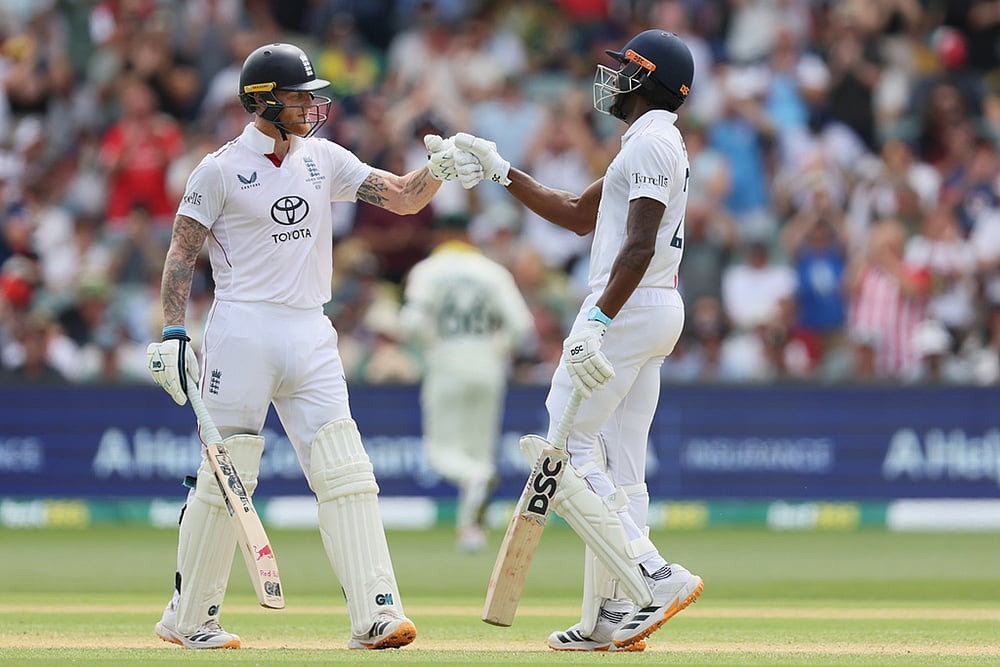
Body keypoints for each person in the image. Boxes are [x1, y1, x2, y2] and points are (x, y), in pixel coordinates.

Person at [145, 42, 460, 651]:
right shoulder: (219, 169)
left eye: (311, 96)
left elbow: (401, 196)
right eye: (296, 97)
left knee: (345, 469)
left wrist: (442, 170)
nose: (310, 106)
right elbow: (182, 252)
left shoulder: (322, 159)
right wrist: (174, 332)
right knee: (227, 471)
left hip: (311, 329)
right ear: (261, 101)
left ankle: (376, 614)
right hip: (242, 327)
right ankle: (190, 618)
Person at [445, 30, 705, 652]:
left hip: (628, 305)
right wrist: (500, 169)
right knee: (620, 466)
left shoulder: (649, 145)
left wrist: (597, 323)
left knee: (564, 451)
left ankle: (651, 574)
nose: (610, 80)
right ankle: (611, 617)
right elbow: (577, 212)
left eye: (623, 72)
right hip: (655, 307)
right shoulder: (652, 142)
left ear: (645, 80)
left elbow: (637, 245)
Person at [399, 212, 533, 553]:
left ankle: (473, 499)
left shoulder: (428, 271)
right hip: (487, 364)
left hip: (446, 361)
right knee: (479, 451)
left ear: (442, 234)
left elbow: (412, 322)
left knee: (441, 453)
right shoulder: (492, 272)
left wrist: (432, 346)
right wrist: (494, 349)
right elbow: (521, 325)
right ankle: (471, 532)